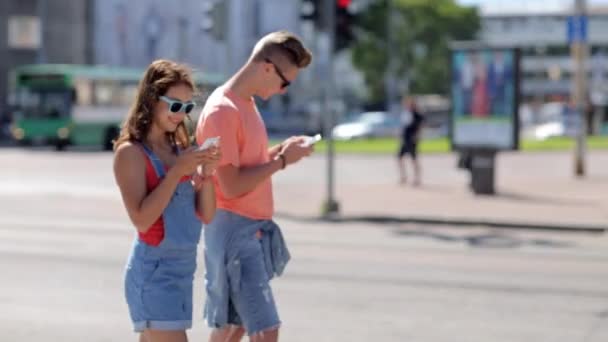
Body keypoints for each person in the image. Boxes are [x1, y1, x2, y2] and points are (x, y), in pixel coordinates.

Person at [195, 31, 313, 342]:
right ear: (266, 68)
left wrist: (280, 152)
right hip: (234, 231)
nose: (284, 90)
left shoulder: (244, 104)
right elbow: (230, 185)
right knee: (265, 328)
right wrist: (282, 162)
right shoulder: (223, 111)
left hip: (245, 229)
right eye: (285, 82)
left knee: (233, 328)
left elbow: (245, 164)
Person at [113, 59, 221, 342]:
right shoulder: (130, 153)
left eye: (186, 108)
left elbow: (207, 215)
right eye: (175, 105)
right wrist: (177, 173)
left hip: (182, 272)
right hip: (153, 274)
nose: (180, 114)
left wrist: (207, 174)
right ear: (151, 100)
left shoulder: (180, 149)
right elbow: (141, 219)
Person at [398, 97, 424, 186]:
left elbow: (420, 127)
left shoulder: (417, 114)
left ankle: (417, 178)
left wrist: (417, 137)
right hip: (405, 139)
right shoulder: (406, 113)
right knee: (399, 158)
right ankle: (403, 177)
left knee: (414, 159)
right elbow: (404, 126)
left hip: (412, 139)